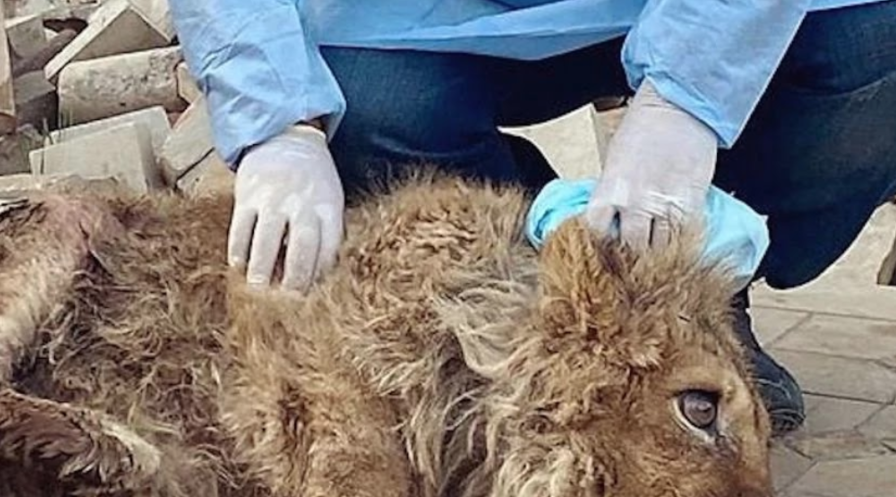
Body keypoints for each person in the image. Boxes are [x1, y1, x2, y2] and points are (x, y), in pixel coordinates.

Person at [167, 0, 896, 434]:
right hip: (425, 22)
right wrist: (278, 123)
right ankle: (539, 310)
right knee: (371, 108)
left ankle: (698, 307)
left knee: (874, 40)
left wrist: (687, 99)